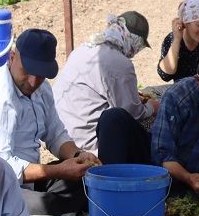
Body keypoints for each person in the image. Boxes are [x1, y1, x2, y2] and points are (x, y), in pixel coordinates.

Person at [0, 28, 98, 216]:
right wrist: (58, 170)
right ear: (12, 58)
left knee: (84, 180)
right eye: (28, 71)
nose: (34, 81)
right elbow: (4, 168)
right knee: (47, 205)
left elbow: (55, 133)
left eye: (41, 74)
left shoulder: (42, 89)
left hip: (28, 182)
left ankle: (58, 215)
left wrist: (78, 155)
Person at [98, 49, 199, 201]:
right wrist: (187, 177)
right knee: (113, 118)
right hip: (163, 171)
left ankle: (179, 196)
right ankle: (109, 196)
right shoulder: (178, 95)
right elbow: (161, 152)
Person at [54, 12, 158, 156]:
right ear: (135, 41)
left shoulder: (84, 48)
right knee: (153, 125)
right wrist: (152, 107)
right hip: (90, 145)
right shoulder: (120, 63)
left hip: (63, 138)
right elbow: (132, 113)